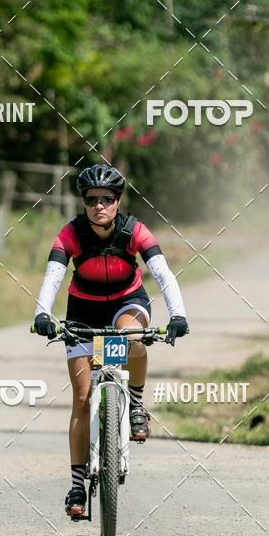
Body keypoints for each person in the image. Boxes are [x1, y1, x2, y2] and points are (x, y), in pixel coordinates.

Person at [33, 164, 188, 517]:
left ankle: (135, 404)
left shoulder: (135, 231)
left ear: (118, 201)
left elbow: (163, 274)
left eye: (106, 199)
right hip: (83, 310)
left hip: (126, 303)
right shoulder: (71, 234)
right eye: (91, 200)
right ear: (84, 203)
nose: (98, 206)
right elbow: (53, 275)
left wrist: (177, 315)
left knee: (132, 338)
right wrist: (42, 314)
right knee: (82, 398)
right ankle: (77, 485)